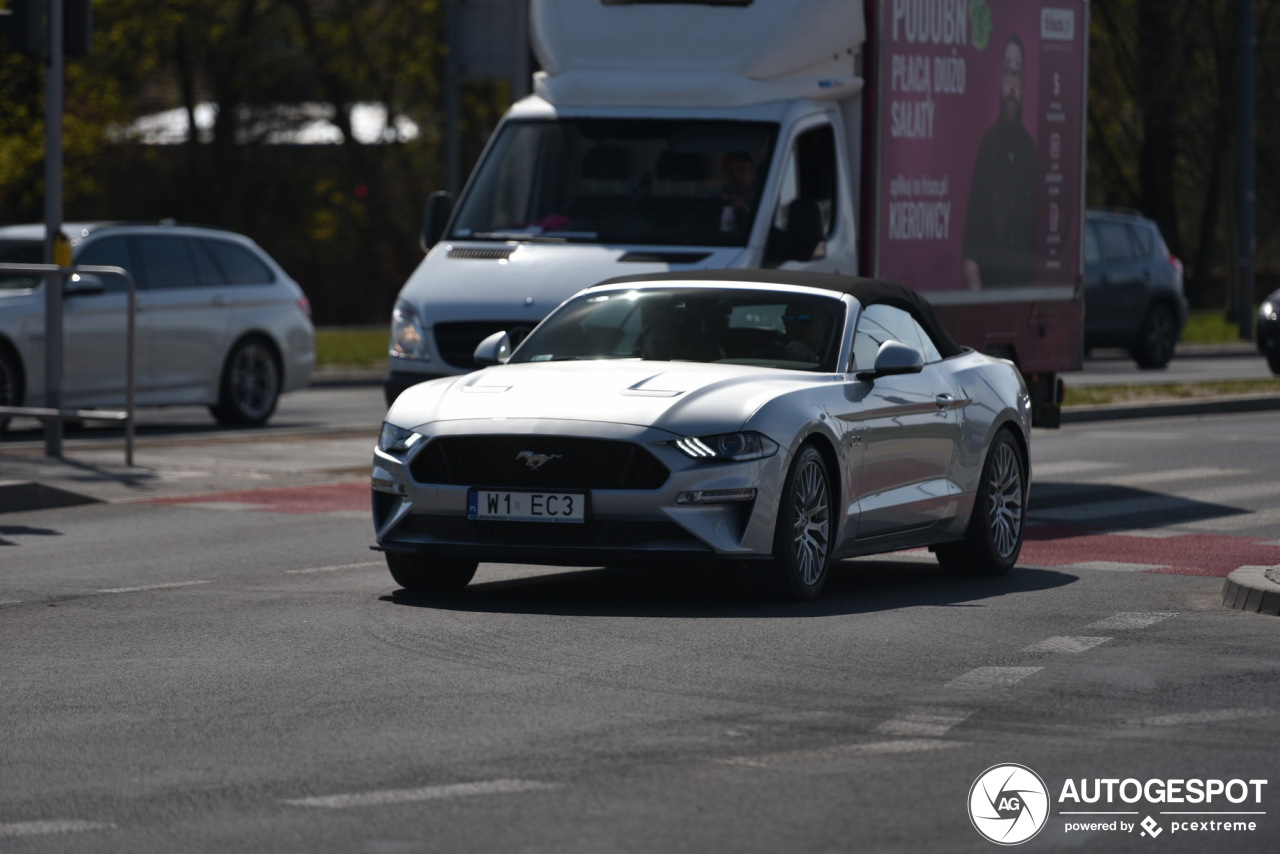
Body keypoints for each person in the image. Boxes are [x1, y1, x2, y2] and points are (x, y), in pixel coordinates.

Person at [963, 33, 1038, 289]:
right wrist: (976, 291)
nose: (1012, 86)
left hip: (1023, 290)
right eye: (1008, 72)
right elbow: (971, 239)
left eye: (1017, 74)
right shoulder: (988, 149)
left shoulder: (1031, 154)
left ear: (1024, 84)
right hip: (990, 288)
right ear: (999, 80)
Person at [719, 151, 758, 234]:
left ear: (753, 172)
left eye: (742, 169)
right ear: (724, 175)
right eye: (731, 171)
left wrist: (745, 210)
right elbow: (725, 233)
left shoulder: (765, 198)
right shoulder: (717, 201)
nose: (737, 175)